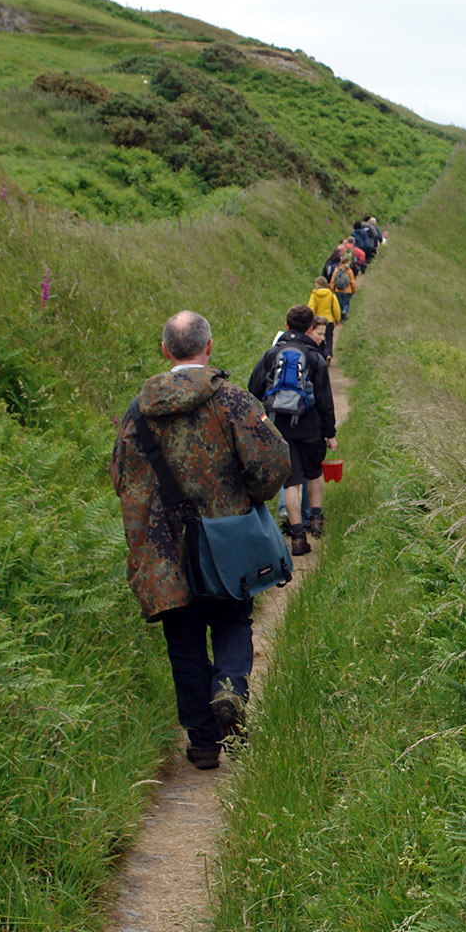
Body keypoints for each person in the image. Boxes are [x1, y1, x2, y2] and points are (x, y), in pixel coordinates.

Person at [109, 310, 290, 770]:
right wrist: (246, 497)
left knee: (184, 640)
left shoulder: (138, 410)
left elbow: (120, 475)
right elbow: (272, 465)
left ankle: (203, 743)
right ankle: (229, 687)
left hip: (163, 551)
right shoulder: (232, 400)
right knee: (232, 620)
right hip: (227, 543)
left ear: (165, 351)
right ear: (208, 347)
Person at [248, 305, 336, 555]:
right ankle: (316, 521)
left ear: (286, 326)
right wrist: (330, 432)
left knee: (292, 483)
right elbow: (325, 399)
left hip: (280, 429)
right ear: (309, 328)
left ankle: (297, 538)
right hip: (310, 427)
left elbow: (253, 388)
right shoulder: (314, 356)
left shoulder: (272, 354)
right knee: (315, 473)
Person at [307, 274, 342, 361]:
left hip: (318, 321)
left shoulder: (314, 294)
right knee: (329, 338)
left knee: (319, 338)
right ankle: (328, 354)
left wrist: (311, 318)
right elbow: (336, 308)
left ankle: (321, 356)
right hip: (329, 320)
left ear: (317, 284)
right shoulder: (330, 293)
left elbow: (311, 307)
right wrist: (337, 319)